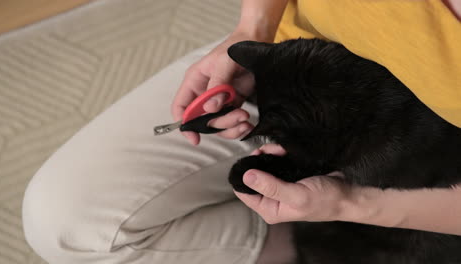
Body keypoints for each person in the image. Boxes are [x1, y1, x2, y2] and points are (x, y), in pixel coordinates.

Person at [23, 0, 461, 263]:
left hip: (428, 158)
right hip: (291, 54)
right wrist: (254, 31)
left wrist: (347, 204)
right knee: (66, 222)